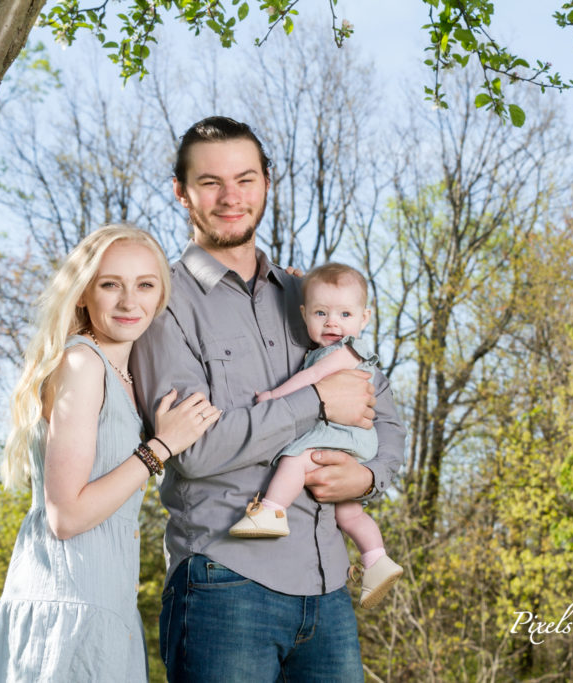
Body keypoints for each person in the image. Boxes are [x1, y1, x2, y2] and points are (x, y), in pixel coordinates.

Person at [130, 116, 406, 681]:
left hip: (328, 587)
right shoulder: (163, 304)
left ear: (267, 183)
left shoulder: (310, 296)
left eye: (245, 179)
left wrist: (369, 477)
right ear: (181, 191)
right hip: (222, 582)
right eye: (210, 182)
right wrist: (318, 403)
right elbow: (193, 452)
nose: (231, 197)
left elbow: (388, 412)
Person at [0, 225, 221, 682]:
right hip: (69, 607)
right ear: (84, 294)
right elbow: (65, 516)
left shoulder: (125, 373)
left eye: (145, 285)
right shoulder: (82, 363)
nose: (130, 302)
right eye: (111, 285)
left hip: (107, 607)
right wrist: (162, 446)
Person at [229, 262, 404, 609]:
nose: (332, 323)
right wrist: (298, 280)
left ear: (364, 318)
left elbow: (311, 380)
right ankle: (376, 560)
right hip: (352, 437)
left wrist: (273, 397)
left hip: (344, 433)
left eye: (344, 313)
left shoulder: (341, 352)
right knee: (349, 514)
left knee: (297, 458)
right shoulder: (339, 348)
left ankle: (272, 512)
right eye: (321, 313)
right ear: (304, 314)